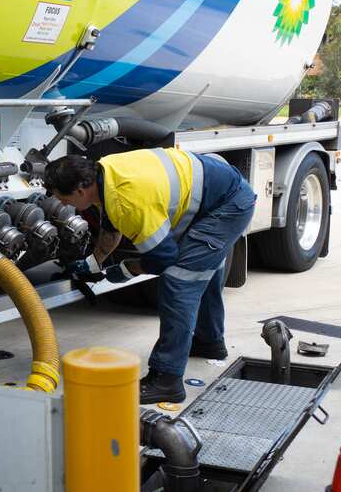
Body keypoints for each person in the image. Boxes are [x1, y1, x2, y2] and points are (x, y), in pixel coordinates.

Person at [44, 149, 256, 403]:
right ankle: (209, 342)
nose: (64, 205)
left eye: (63, 199)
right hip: (219, 195)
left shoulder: (127, 201)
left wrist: (124, 271)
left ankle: (167, 380)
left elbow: (162, 259)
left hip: (228, 205)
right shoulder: (105, 171)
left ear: (80, 189)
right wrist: (93, 263)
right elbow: (111, 229)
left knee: (179, 282)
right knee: (201, 272)